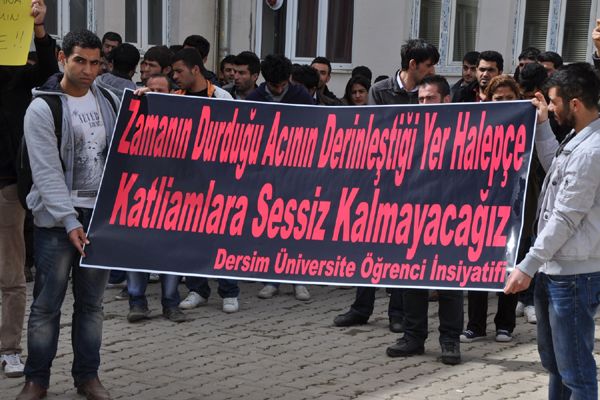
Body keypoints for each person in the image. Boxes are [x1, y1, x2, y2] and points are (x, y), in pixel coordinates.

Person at [17, 29, 118, 400]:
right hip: (56, 222)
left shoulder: (108, 100)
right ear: (62, 59)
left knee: (92, 306)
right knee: (46, 306)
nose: (89, 69)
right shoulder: (43, 107)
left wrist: (145, 104)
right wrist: (69, 220)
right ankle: (37, 380)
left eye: (95, 62)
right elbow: (45, 173)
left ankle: (87, 377)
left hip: (99, 218)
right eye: (80, 60)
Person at [505, 62, 600, 400]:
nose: (551, 108)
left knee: (576, 372)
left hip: (572, 277)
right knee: (557, 365)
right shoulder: (578, 140)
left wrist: (527, 265)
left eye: (554, 103)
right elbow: (553, 171)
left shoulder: (592, 151)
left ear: (574, 103)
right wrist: (543, 126)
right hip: (555, 270)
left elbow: (565, 217)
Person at [335, 38, 439, 334]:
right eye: (429, 64)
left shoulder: (428, 93)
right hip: (379, 182)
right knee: (369, 247)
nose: (432, 70)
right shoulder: (380, 91)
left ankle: (397, 312)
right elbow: (371, 133)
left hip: (413, 183)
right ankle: (361, 307)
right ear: (412, 65)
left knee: (399, 248)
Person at [387, 75, 463, 365]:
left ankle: (450, 341)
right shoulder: (408, 131)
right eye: (419, 99)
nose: (423, 104)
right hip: (413, 216)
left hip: (452, 218)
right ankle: (413, 337)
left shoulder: (465, 131)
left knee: (450, 283)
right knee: (411, 280)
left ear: (446, 99)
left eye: (429, 98)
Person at [0, 0, 58, 381]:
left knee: (11, 274)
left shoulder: (21, 79)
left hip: (7, 185)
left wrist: (37, 29)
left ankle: (9, 350)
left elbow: (52, 72)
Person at [246, 54, 313, 301]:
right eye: (275, 85)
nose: (279, 88)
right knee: (269, 227)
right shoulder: (254, 99)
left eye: (283, 83)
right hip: (267, 174)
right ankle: (271, 279)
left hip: (298, 173)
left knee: (297, 226)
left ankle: (299, 279)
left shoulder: (301, 96)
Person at [460, 75, 520, 344]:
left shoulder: (524, 125)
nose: (504, 103)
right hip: (480, 205)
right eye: (499, 99)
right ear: (487, 99)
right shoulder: (479, 126)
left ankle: (505, 325)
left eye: (510, 99)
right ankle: (475, 325)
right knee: (478, 265)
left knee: (509, 265)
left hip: (513, 206)